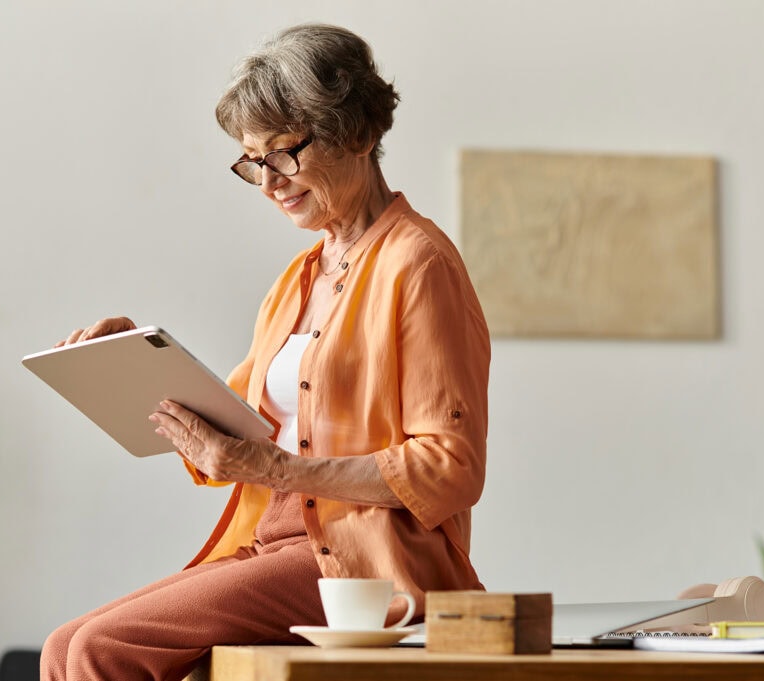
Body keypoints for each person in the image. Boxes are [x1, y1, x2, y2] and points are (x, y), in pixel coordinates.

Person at [40, 23, 490, 681]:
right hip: (274, 550)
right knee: (64, 644)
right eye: (251, 161)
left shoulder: (418, 264)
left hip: (363, 567)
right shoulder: (298, 279)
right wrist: (137, 361)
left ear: (358, 134)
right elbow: (235, 434)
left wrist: (279, 469)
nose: (267, 182)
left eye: (282, 152)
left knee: (92, 652)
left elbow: (450, 469)